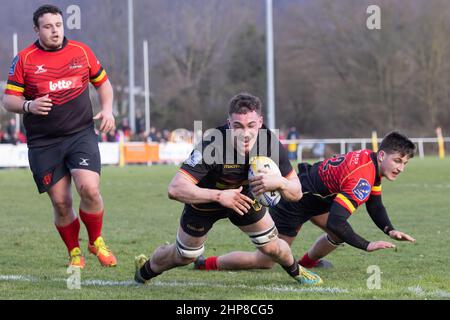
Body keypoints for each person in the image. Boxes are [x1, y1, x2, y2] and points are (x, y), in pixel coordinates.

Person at [134, 92, 323, 285]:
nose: (245, 133)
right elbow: (175, 188)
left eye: (251, 125)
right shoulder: (212, 144)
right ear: (229, 123)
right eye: (238, 126)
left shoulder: (269, 143)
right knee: (185, 255)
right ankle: (145, 270)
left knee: (272, 247)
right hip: (205, 201)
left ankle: (297, 271)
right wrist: (219, 196)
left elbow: (297, 192)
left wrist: (280, 183)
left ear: (260, 122)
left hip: (243, 199)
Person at [194, 132, 416, 271]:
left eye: (404, 163)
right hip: (296, 202)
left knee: (338, 234)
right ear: (382, 155)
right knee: (265, 261)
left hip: (314, 196)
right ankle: (207, 263)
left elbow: (374, 204)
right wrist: (366, 245)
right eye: (397, 161)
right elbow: (337, 222)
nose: (400, 168)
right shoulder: (363, 177)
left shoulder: (370, 160)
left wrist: (389, 229)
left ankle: (307, 264)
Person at [2, 5, 117, 269]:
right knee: (61, 202)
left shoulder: (81, 52)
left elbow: (103, 84)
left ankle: (96, 241)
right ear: (37, 30)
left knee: (89, 188)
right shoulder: (25, 59)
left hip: (80, 133)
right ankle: (74, 252)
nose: (54, 31)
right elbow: (9, 100)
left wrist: (108, 109)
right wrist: (29, 106)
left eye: (58, 25)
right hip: (44, 142)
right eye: (48, 26)